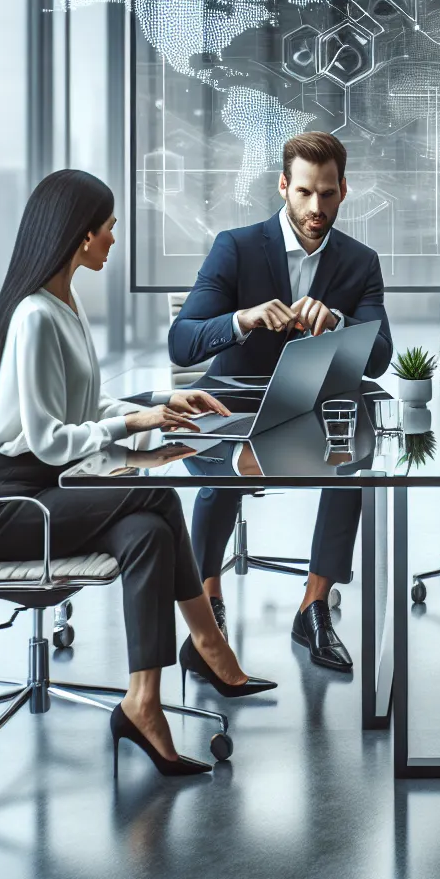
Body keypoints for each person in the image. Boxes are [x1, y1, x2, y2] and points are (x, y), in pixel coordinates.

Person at [0, 169, 275, 778]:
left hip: (51, 492)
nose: (114, 240)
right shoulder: (34, 316)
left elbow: (80, 410)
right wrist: (138, 428)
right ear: (82, 238)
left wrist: (155, 405)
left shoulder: (64, 302)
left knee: (148, 534)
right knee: (157, 493)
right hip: (9, 508)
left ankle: (143, 703)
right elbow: (52, 442)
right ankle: (210, 646)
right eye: (109, 229)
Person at [169, 131, 393, 672]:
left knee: (353, 462)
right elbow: (183, 340)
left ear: (344, 190)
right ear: (283, 187)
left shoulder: (360, 262)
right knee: (226, 469)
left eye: (328, 194)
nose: (316, 208)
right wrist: (241, 320)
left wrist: (339, 322)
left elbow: (381, 354)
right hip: (235, 404)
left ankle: (314, 607)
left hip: (313, 409)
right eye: (304, 193)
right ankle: (208, 605)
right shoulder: (237, 246)